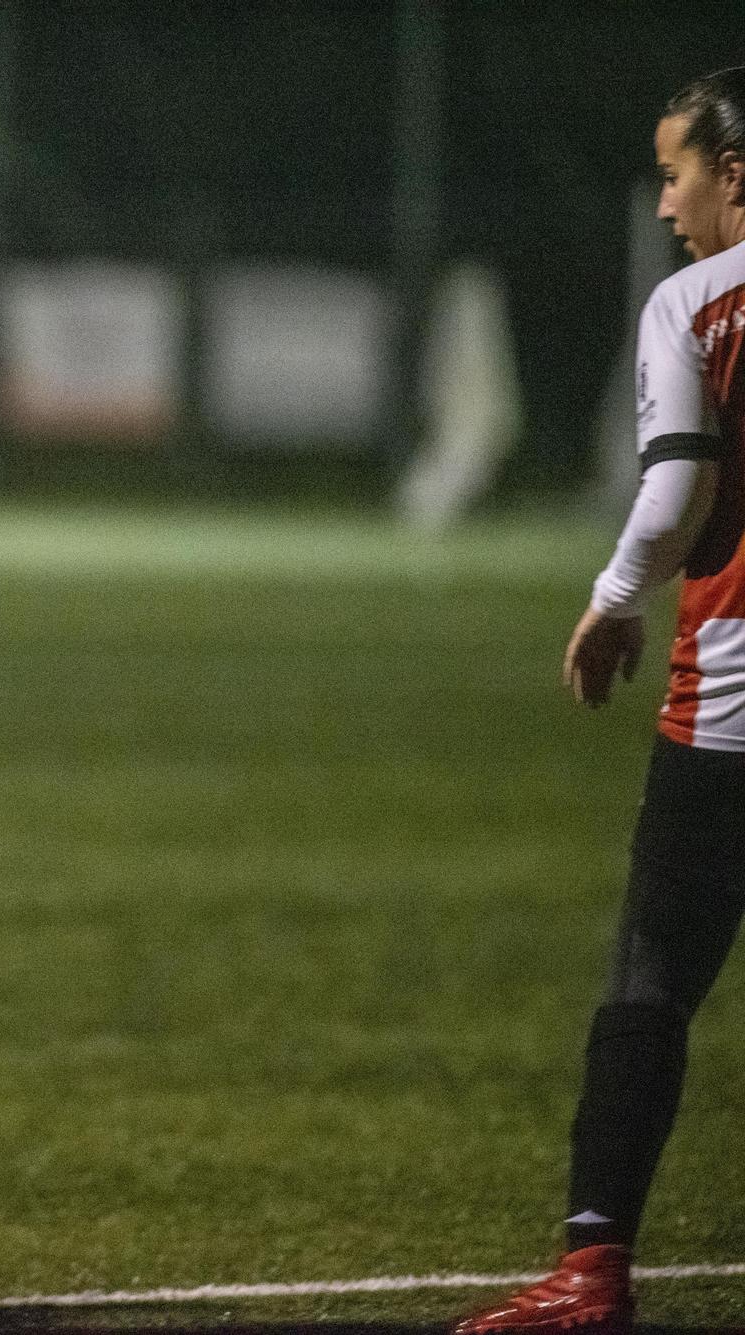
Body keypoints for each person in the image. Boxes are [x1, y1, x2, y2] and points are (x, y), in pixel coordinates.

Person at [454, 67, 745, 1335]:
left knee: (651, 976)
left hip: (732, 700)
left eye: (676, 172)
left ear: (734, 173)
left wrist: (614, 592)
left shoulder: (695, 302)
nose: (665, 202)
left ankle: (590, 1274)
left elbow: (674, 493)